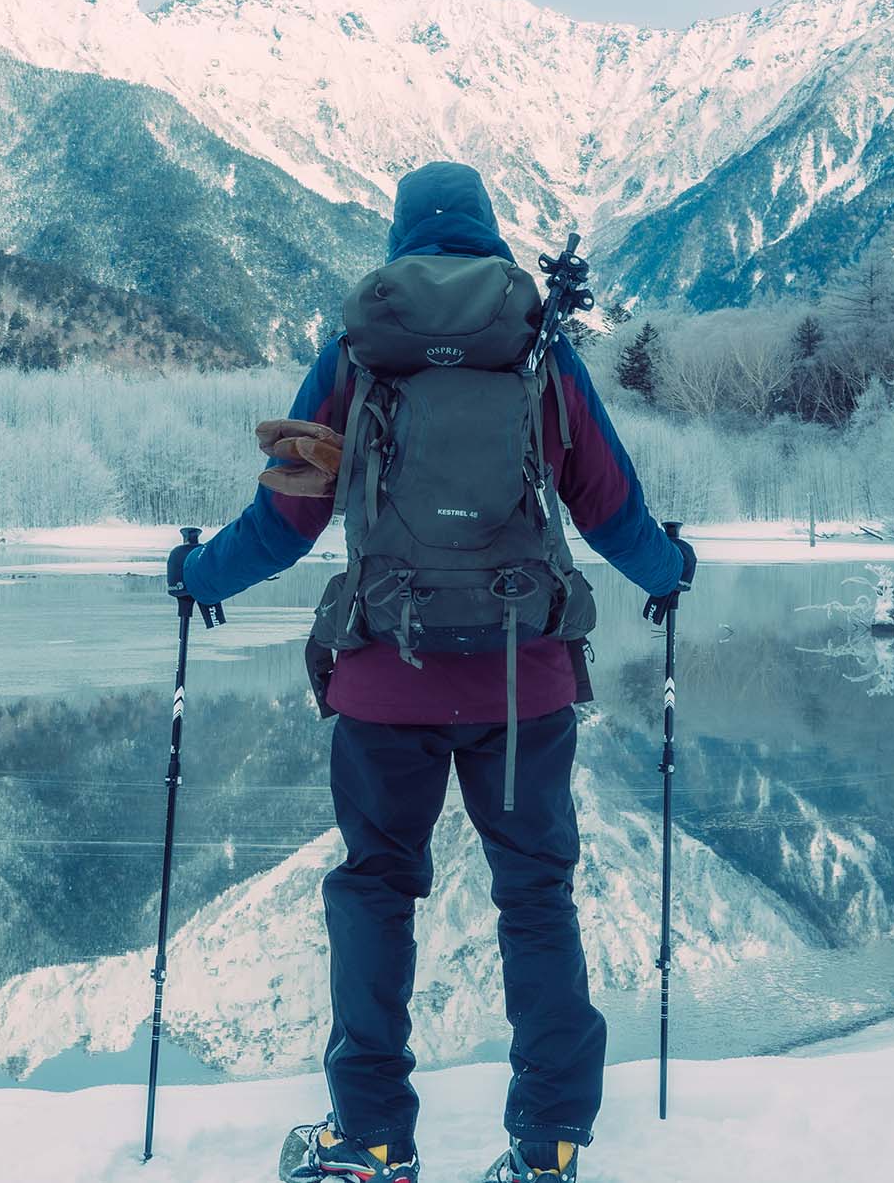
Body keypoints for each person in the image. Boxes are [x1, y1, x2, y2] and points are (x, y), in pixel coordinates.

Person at [175, 162, 695, 1183]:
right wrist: (669, 568)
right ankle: (546, 1140)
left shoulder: (356, 356)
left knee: (376, 890)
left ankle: (370, 1139)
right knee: (536, 896)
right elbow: (609, 507)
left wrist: (198, 572)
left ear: (400, 239)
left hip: (383, 685)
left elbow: (285, 521)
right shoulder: (540, 355)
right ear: (491, 237)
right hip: (521, 680)